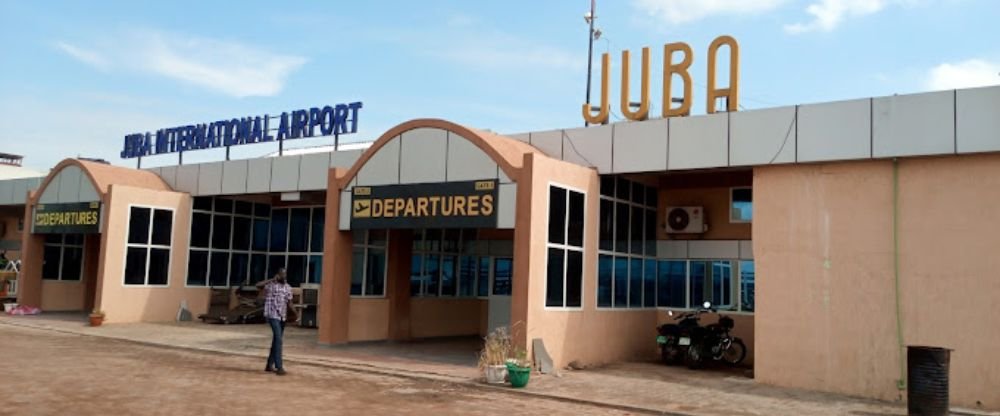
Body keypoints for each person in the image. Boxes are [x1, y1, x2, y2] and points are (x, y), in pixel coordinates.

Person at [257, 268, 294, 375]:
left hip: (282, 316)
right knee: (278, 339)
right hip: (272, 315)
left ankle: (269, 365)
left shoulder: (288, 287)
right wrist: (271, 280)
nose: (284, 276)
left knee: (277, 340)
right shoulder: (271, 286)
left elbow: (290, 303)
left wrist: (295, 315)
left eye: (285, 274)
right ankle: (279, 367)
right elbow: (258, 285)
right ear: (277, 275)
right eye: (282, 274)